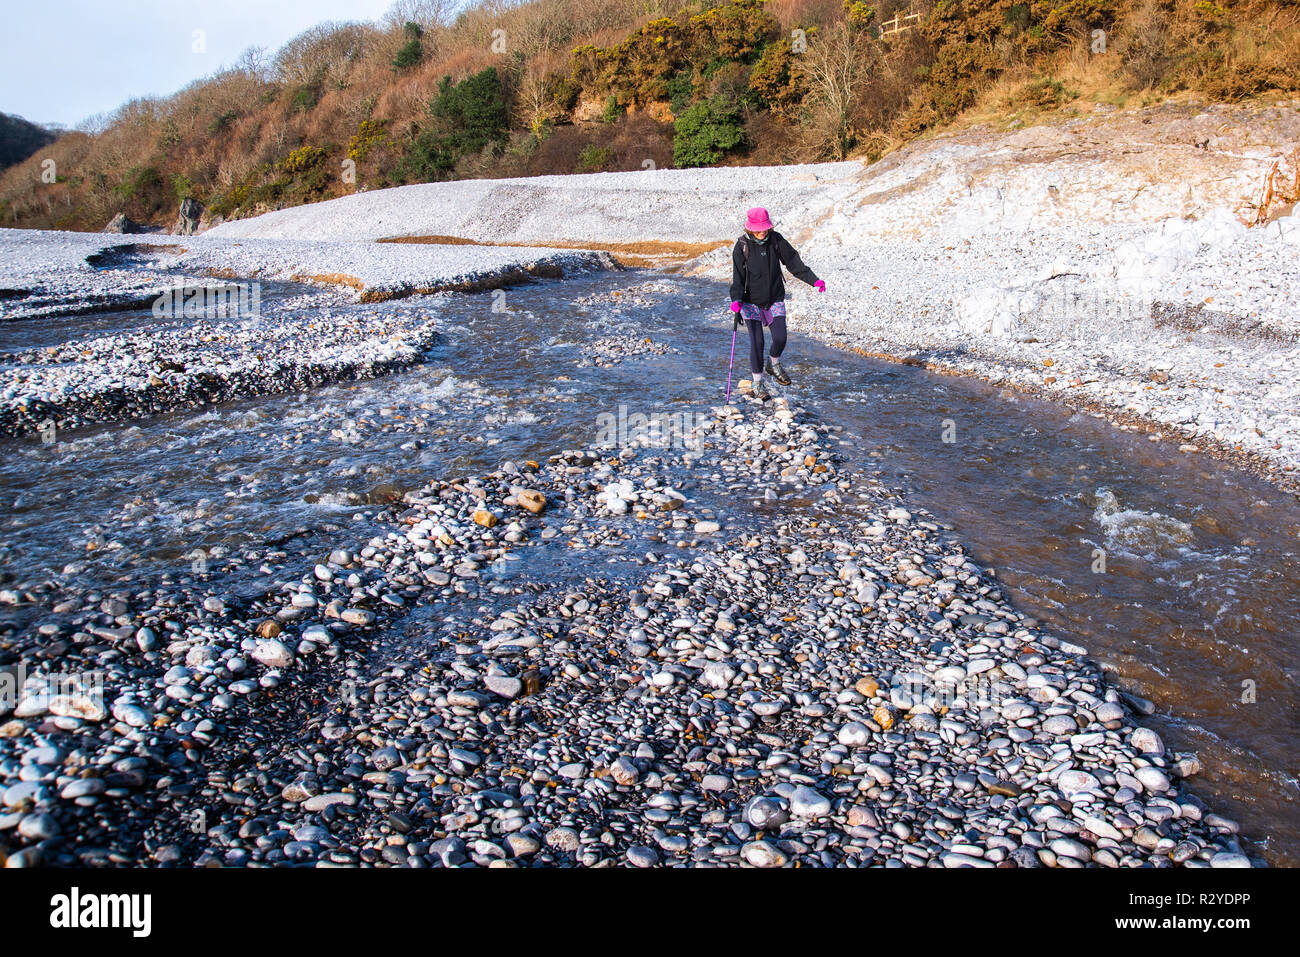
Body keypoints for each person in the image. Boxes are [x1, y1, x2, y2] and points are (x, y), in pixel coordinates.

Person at [729, 206, 825, 400]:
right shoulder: (741, 246)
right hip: (750, 302)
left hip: (774, 298)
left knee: (780, 338)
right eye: (758, 229)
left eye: (764, 228)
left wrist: (814, 280)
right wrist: (736, 300)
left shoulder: (776, 240)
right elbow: (737, 278)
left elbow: (793, 262)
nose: (762, 232)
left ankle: (773, 364)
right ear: (749, 228)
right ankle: (757, 383)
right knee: (757, 342)